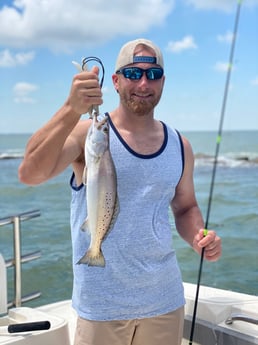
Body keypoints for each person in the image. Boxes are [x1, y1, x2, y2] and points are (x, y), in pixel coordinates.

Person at [19, 38, 222, 345]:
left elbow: (185, 208)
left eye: (153, 74)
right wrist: (71, 109)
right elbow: (30, 173)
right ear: (115, 81)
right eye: (132, 73)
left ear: (163, 82)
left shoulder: (180, 145)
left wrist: (198, 237)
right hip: (101, 307)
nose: (143, 82)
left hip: (165, 302)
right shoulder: (89, 133)